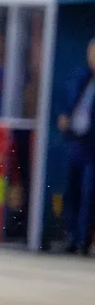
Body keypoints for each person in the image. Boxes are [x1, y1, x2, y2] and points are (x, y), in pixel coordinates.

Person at [58, 38, 95, 255]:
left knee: (88, 194)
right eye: (91, 54)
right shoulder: (81, 78)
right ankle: (72, 237)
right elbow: (68, 101)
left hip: (93, 146)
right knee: (71, 190)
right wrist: (65, 117)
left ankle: (83, 240)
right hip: (77, 142)